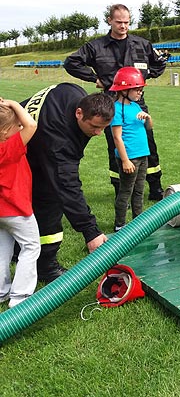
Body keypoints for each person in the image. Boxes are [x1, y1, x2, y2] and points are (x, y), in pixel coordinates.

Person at [64, 3, 166, 201]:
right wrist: (95, 79)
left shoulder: (141, 44)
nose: (123, 26)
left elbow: (159, 63)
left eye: (127, 22)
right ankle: (121, 190)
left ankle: (155, 187)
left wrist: (144, 79)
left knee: (147, 143)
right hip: (110, 104)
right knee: (116, 146)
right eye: (119, 22)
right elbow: (71, 62)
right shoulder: (96, 47)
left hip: (136, 103)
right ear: (109, 21)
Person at [22, 84, 114, 282]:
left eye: (103, 128)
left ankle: (19, 250)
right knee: (51, 201)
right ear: (79, 113)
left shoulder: (73, 92)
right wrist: (91, 232)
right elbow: (67, 186)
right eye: (95, 127)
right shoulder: (59, 140)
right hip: (18, 154)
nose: (98, 134)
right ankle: (45, 266)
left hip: (33, 148)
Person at [0, 98, 40, 308]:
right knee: (31, 246)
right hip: (17, 210)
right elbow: (32, 124)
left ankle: (1, 291)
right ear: (6, 132)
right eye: (17, 125)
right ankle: (20, 297)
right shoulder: (8, 148)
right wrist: (15, 104)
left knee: (2, 249)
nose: (21, 127)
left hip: (1, 212)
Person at [108, 68, 152, 232]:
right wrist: (125, 160)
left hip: (143, 155)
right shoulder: (117, 109)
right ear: (124, 90)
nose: (140, 93)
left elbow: (148, 127)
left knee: (139, 191)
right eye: (137, 89)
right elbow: (117, 137)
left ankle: (138, 222)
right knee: (126, 191)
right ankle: (120, 224)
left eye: (141, 90)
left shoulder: (135, 106)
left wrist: (148, 118)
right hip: (130, 157)